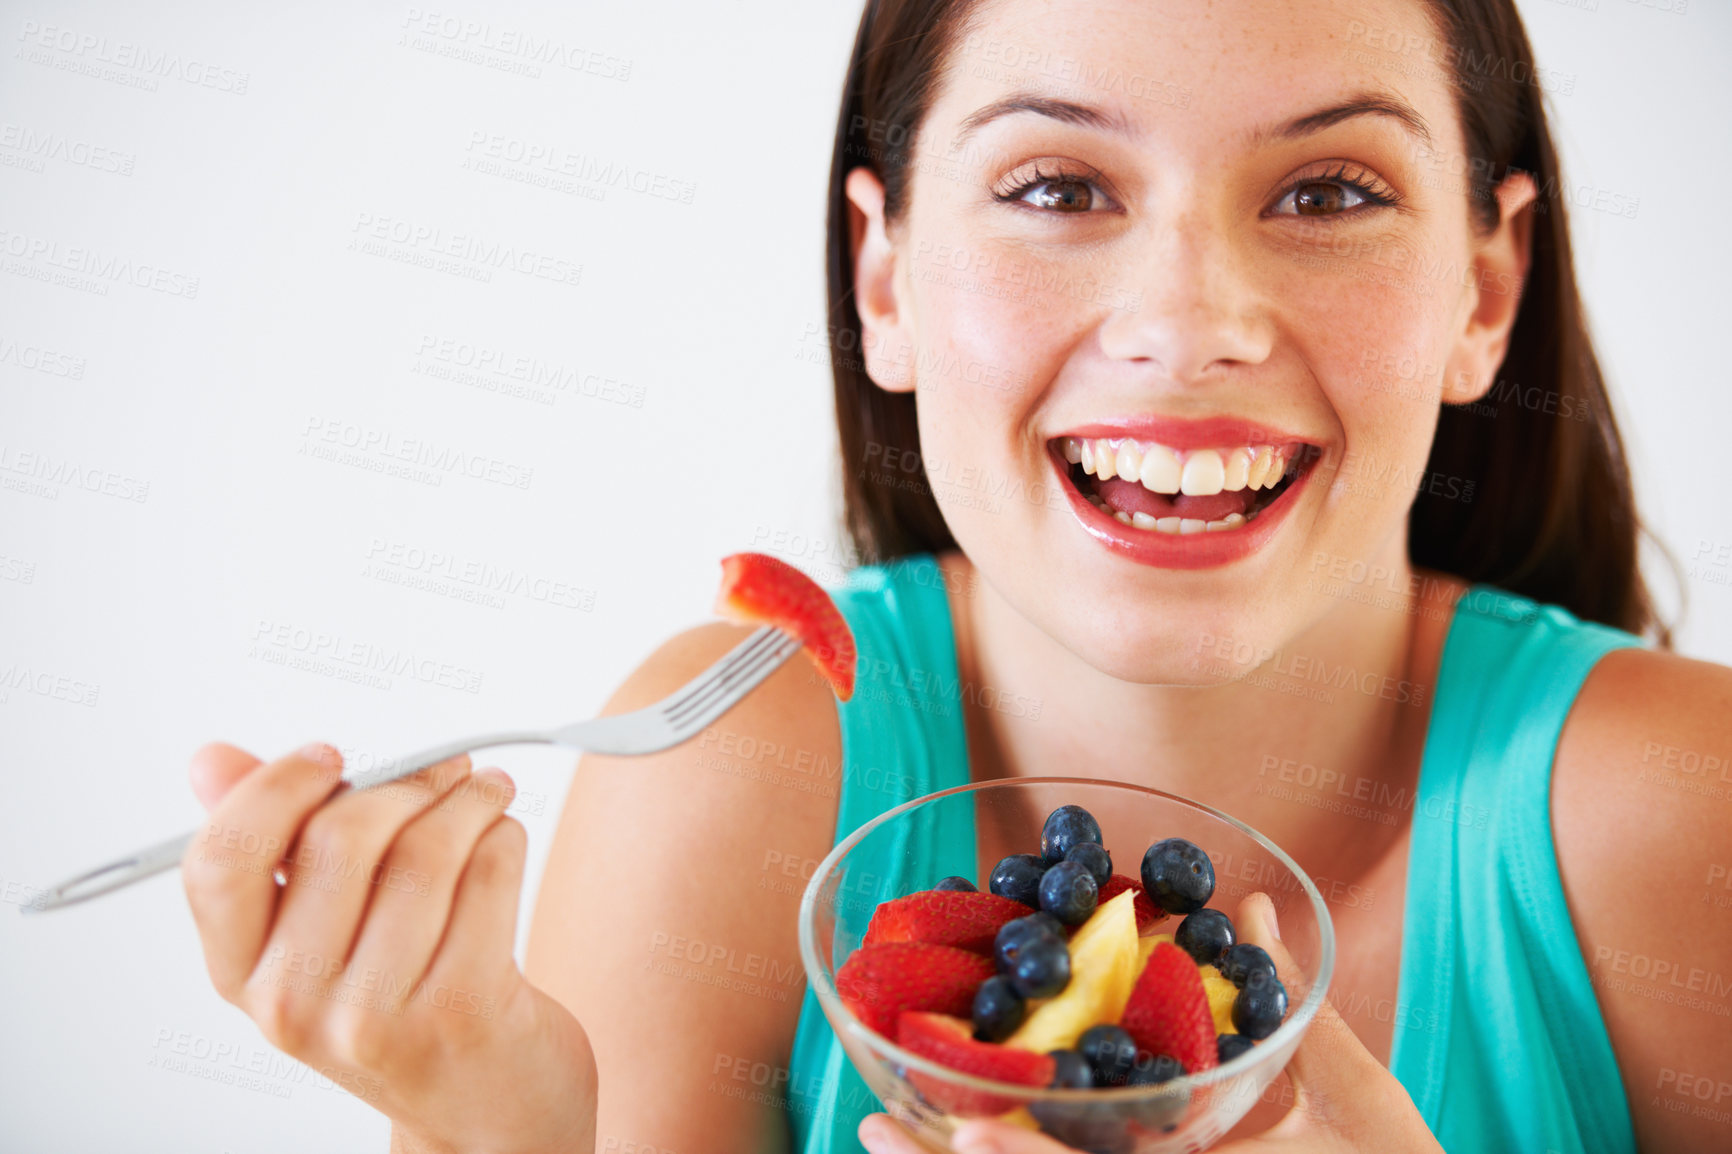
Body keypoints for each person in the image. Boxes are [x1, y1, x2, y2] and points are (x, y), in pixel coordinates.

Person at [179, 0, 1732, 1151]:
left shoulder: (1683, 814)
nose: (1190, 322)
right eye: (1058, 189)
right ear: (884, 276)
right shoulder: (731, 773)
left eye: (1328, 194)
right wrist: (491, 1119)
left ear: (1484, 290)